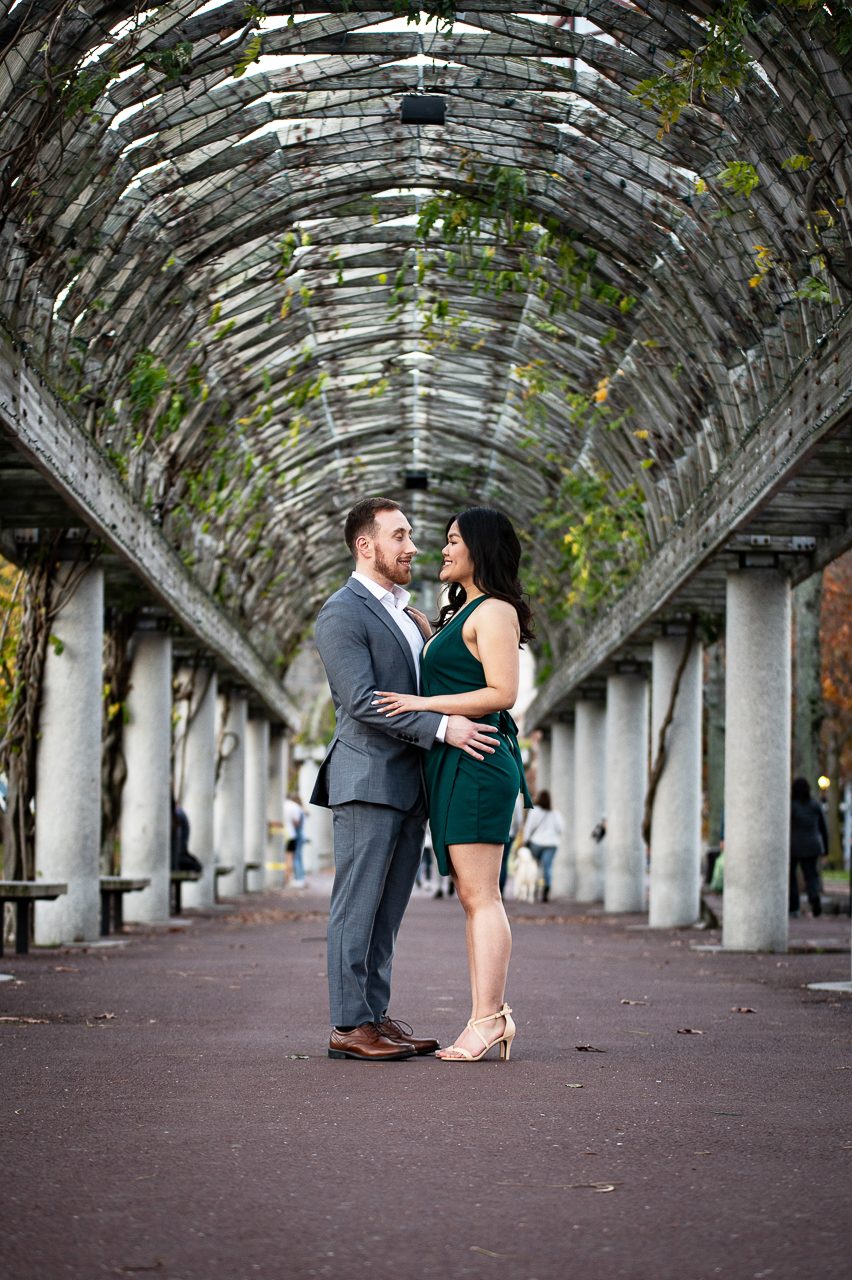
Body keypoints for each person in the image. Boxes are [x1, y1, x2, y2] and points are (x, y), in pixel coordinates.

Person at [311, 497, 500, 1061]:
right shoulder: (341, 613)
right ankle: (348, 1025)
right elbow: (363, 702)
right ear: (365, 545)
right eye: (399, 536)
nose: (413, 546)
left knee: (387, 912)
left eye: (412, 535)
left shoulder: (407, 613)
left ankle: (373, 1015)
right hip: (366, 779)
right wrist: (445, 728)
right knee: (356, 905)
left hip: (409, 783)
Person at [374, 507, 533, 1062]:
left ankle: (489, 1020)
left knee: (481, 895)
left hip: (478, 760)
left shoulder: (494, 611)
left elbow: (501, 691)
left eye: (451, 541)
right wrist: (429, 634)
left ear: (479, 549)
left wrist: (422, 703)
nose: (440, 550)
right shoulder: (468, 611)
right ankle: (486, 1016)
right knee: (472, 896)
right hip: (458, 760)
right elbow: (460, 667)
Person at [790, 777, 827, 917]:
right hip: (812, 846)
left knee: (792, 878)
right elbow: (823, 829)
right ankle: (813, 897)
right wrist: (826, 849)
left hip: (794, 847)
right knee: (811, 877)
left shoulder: (792, 806)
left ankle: (793, 908)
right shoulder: (815, 806)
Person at [523, 789, 564, 903]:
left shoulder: (534, 811)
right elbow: (561, 829)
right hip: (551, 844)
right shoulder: (555, 813)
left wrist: (525, 840)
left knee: (534, 867)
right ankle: (546, 889)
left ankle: (534, 888)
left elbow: (528, 828)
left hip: (536, 843)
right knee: (547, 867)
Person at [284, 793, 307, 888]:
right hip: (292, 834)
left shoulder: (282, 805)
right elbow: (297, 821)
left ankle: (288, 879)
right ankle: (296, 879)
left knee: (287, 858)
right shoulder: (296, 807)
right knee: (293, 857)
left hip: (281, 833)